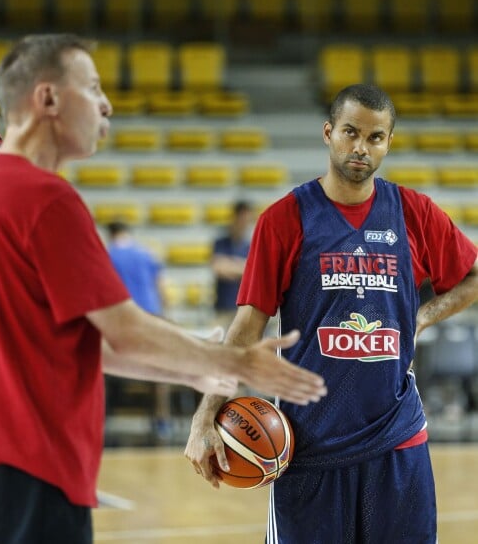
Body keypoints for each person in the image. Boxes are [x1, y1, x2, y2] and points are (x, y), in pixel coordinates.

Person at [0, 34, 327, 544]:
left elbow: (99, 347)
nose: (106, 103)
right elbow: (126, 331)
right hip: (26, 472)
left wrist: (202, 364)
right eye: (92, 87)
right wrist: (235, 362)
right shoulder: (44, 198)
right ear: (47, 98)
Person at [185, 84, 478, 544]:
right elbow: (245, 330)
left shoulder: (414, 213)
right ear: (328, 133)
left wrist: (422, 317)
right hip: (307, 446)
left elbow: (472, 276)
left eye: (375, 137)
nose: (361, 147)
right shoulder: (283, 220)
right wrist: (206, 416)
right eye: (350, 132)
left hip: (396, 440)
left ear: (388, 142)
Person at [105, 220, 171, 443]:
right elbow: (162, 289)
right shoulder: (146, 253)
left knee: (104, 370)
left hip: (123, 318)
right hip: (151, 315)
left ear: (111, 234)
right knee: (160, 370)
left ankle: (103, 419)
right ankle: (162, 421)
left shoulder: (108, 255)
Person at [211, 200, 254, 329]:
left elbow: (256, 273)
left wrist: (232, 265)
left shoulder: (251, 245)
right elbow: (219, 268)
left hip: (246, 309)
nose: (244, 223)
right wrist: (245, 268)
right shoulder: (221, 243)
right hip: (224, 307)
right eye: (241, 218)